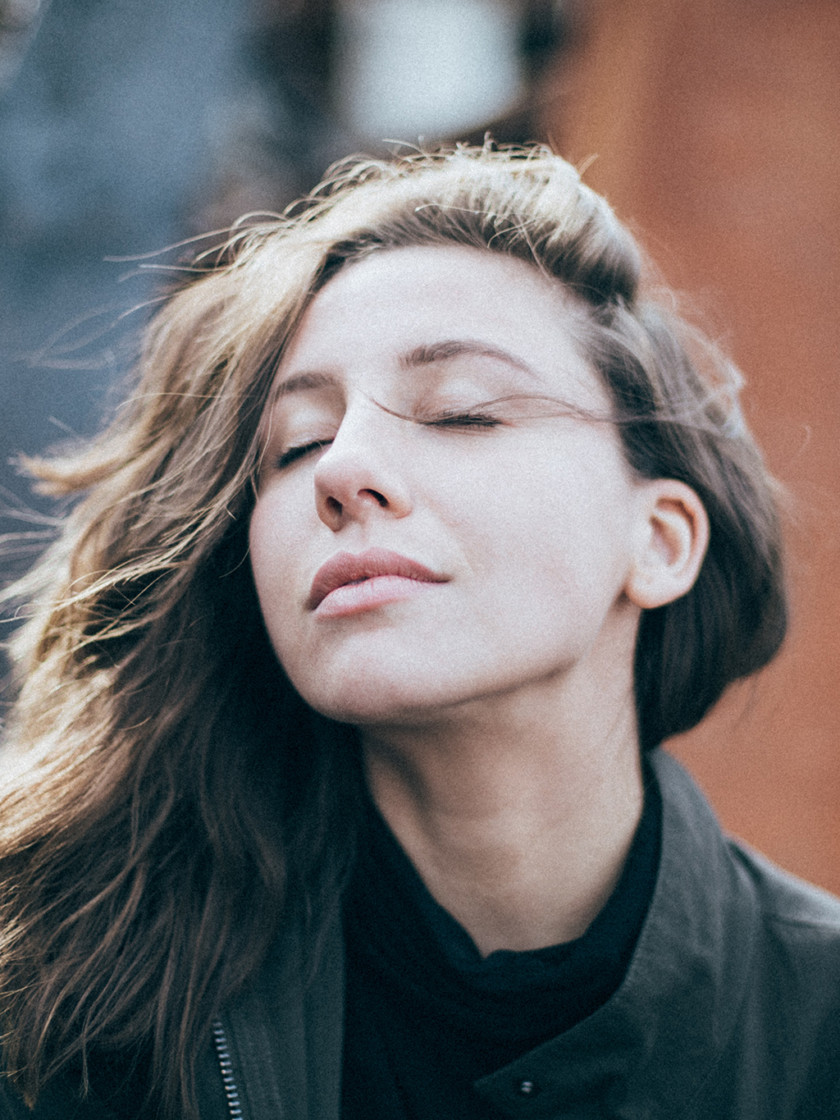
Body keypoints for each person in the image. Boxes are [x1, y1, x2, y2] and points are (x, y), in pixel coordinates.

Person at [0, 144, 837, 1120]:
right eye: (296, 445)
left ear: (658, 541)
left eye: (462, 413)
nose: (341, 468)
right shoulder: (61, 992)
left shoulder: (817, 1034)